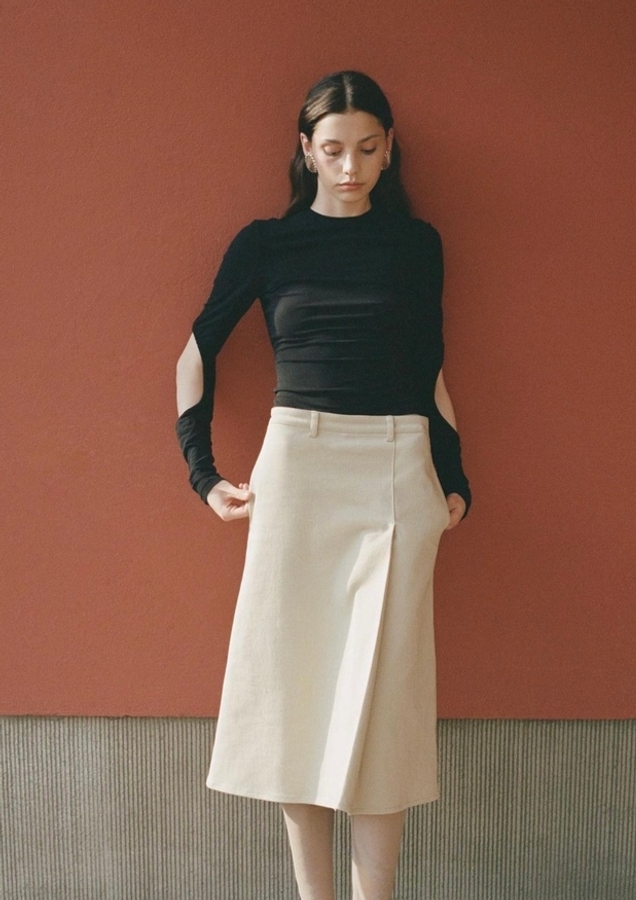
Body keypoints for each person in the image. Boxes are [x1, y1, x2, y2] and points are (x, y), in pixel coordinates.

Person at [176, 70, 471, 900]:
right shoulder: (267, 243)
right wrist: (203, 474)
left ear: (389, 151)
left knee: (388, 701)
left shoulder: (417, 246)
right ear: (306, 150)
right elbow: (196, 353)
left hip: (396, 466)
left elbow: (429, 368)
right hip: (298, 470)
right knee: (296, 693)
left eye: (367, 149)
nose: (350, 168)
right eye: (334, 150)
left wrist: (453, 476)